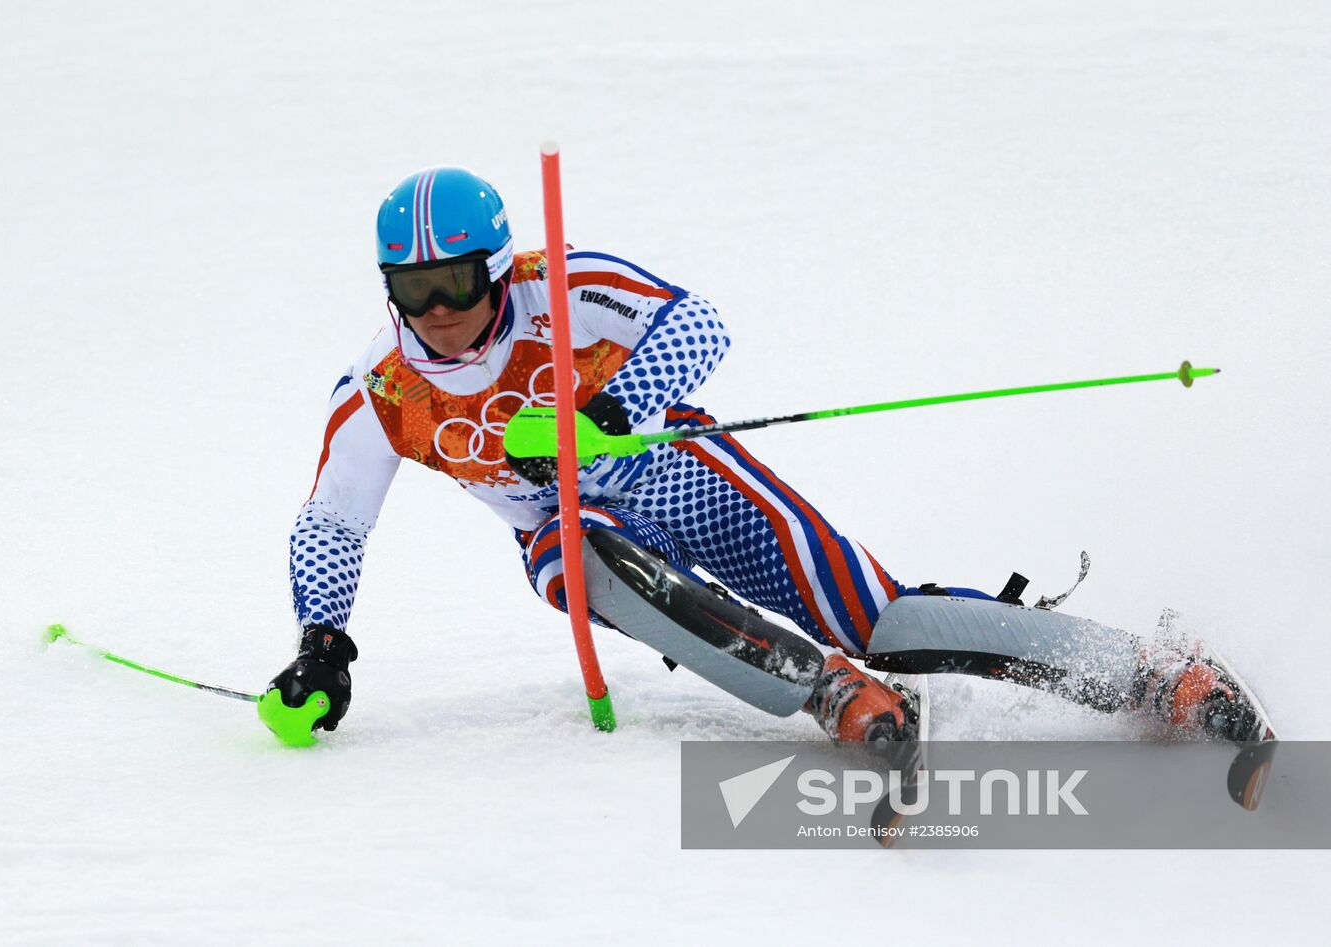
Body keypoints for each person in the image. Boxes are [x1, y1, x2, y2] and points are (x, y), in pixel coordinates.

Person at [261, 165, 1261, 746]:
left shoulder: (558, 283)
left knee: (877, 613)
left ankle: (1148, 671)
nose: (436, 313)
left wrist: (610, 407)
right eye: (410, 289)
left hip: (677, 468)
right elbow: (332, 523)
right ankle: (828, 693)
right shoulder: (381, 388)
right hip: (566, 527)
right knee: (580, 552)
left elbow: (695, 323)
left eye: (453, 283)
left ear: (496, 264)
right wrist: (322, 644)